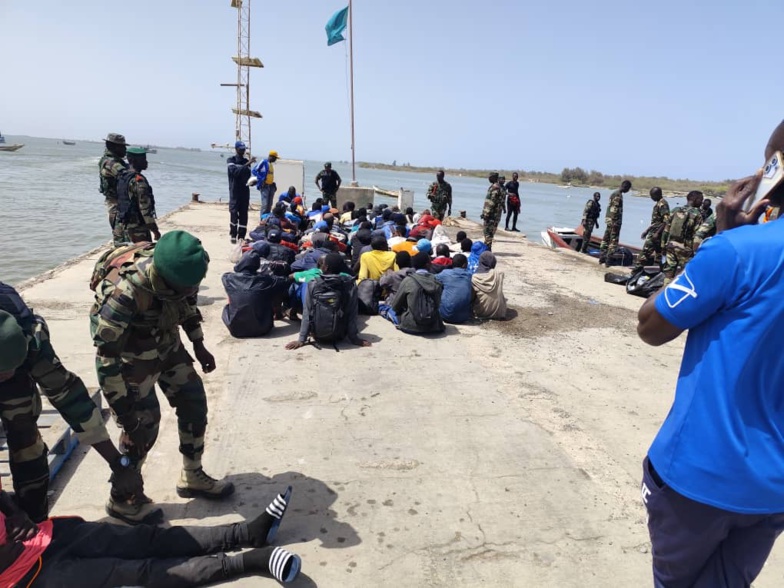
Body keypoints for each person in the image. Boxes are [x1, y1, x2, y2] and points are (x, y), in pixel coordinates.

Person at [635, 128, 784, 587]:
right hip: (772, 488)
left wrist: (718, 240)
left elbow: (651, 326)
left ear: (773, 171)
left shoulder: (738, 252)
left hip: (699, 475)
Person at [90, 231, 234, 524]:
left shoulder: (183, 276)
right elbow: (106, 361)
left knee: (194, 402)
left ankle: (192, 475)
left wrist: (198, 343)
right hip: (134, 360)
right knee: (142, 427)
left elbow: (186, 306)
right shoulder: (124, 295)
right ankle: (123, 498)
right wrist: (124, 414)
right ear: (165, 279)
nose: (191, 290)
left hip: (168, 347)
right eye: (184, 287)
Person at [0, 285, 142, 523]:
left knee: (27, 441)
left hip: (18, 365)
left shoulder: (27, 333)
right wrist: (10, 511)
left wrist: (118, 463)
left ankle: (36, 521)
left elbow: (69, 398)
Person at [0, 486, 302, 587]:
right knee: (134, 570)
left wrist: (14, 512)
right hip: (28, 577)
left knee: (145, 539)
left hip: (45, 536)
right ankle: (250, 563)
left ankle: (247, 532)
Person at [286, 253, 371, 350]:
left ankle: (290, 310)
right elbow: (352, 313)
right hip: (340, 335)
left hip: (317, 335)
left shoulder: (313, 283)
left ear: (325, 267)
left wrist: (301, 340)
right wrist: (354, 338)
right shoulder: (349, 284)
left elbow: (307, 312)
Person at [221, 251, 291, 338]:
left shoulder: (228, 278)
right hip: (263, 328)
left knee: (230, 301)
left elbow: (229, 274)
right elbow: (285, 280)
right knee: (274, 290)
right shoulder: (266, 280)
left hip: (235, 329)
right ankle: (278, 313)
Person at [389, 252, 445, 334]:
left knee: (388, 309)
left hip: (410, 326)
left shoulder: (408, 280)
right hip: (434, 325)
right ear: (428, 264)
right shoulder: (436, 280)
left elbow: (395, 306)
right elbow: (438, 303)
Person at [115, 147, 161, 244]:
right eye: (143, 159)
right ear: (134, 160)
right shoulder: (139, 181)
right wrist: (155, 231)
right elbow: (145, 209)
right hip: (138, 229)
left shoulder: (123, 177)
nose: (146, 162)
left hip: (123, 226)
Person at [661, 190, 704, 281]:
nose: (702, 202)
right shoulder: (697, 214)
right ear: (695, 199)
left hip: (670, 246)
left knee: (668, 274)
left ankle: (664, 291)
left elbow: (666, 230)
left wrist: (663, 246)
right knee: (685, 274)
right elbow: (698, 235)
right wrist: (696, 251)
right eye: (701, 200)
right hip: (686, 249)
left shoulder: (675, 210)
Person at [98, 132, 129, 246]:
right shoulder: (111, 163)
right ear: (113, 147)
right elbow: (127, 177)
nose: (125, 149)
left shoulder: (115, 161)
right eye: (123, 147)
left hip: (119, 203)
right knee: (121, 240)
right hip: (116, 204)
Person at [632, 187, 670, 272]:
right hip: (654, 232)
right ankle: (659, 273)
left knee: (644, 253)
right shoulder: (658, 203)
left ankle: (635, 272)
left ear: (657, 194)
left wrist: (657, 233)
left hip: (656, 234)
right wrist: (646, 231)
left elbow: (666, 221)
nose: (651, 197)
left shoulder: (662, 204)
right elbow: (656, 222)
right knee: (659, 255)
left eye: (652, 195)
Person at [598, 180, 631, 266]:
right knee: (613, 241)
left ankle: (602, 258)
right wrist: (615, 222)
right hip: (614, 221)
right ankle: (609, 260)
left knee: (606, 239)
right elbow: (614, 209)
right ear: (626, 187)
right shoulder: (618, 195)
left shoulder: (614, 193)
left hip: (609, 220)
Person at [226, 141, 254, 244]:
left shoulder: (246, 161)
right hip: (234, 192)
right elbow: (235, 173)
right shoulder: (231, 160)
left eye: (244, 149)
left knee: (243, 215)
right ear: (236, 149)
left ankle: (241, 236)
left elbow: (247, 176)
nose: (243, 151)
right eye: (241, 149)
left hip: (245, 192)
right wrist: (247, 164)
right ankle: (233, 235)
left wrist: (253, 182)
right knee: (233, 213)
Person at [435, 254, 473, 324]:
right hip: (464, 317)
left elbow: (432, 279)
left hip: (445, 315)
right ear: (464, 265)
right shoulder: (469, 275)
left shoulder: (445, 273)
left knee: (439, 285)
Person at [471, 251, 507, 320]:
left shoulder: (475, 277)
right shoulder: (499, 274)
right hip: (500, 313)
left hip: (480, 312)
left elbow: (472, 297)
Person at [481, 173, 505, 250]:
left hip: (492, 214)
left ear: (494, 178)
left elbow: (492, 201)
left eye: (490, 177)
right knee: (490, 232)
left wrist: (486, 213)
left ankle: (487, 248)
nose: (489, 178)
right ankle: (487, 247)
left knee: (488, 232)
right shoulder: (499, 187)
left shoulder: (495, 188)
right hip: (496, 214)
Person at [251, 150, 279, 216]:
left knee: (269, 204)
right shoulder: (264, 162)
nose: (275, 160)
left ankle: (267, 219)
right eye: (275, 158)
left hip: (271, 186)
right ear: (271, 157)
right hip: (265, 186)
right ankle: (262, 220)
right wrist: (261, 179)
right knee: (265, 204)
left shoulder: (271, 165)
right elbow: (254, 170)